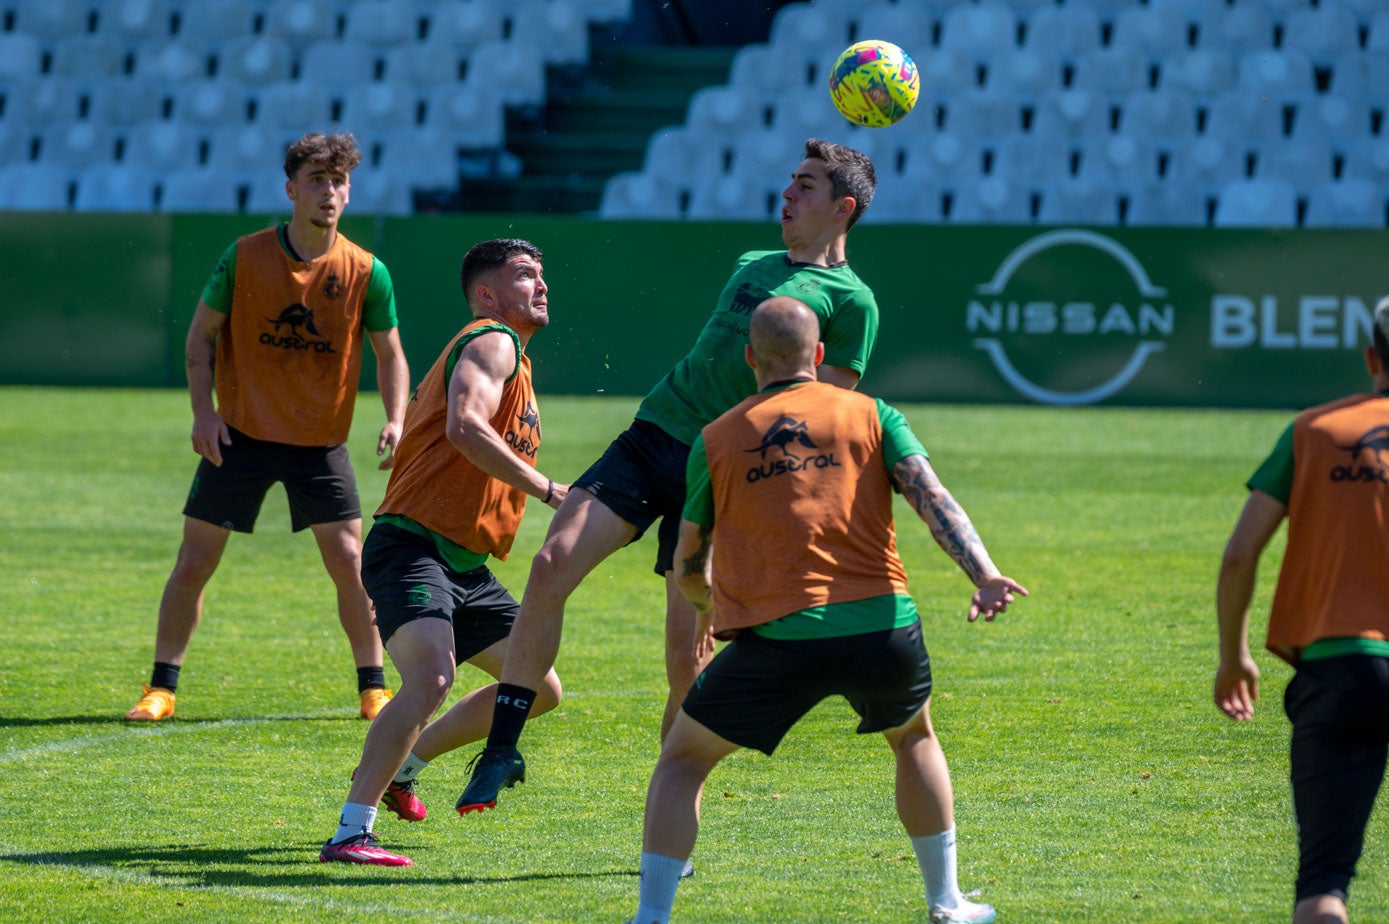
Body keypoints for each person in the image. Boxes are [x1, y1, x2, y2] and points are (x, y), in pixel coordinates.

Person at [458, 138, 882, 816]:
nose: (787, 194)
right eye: (790, 181)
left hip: (722, 472)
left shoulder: (852, 302)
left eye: (805, 186)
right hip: (653, 434)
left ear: (843, 208)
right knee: (550, 563)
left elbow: (819, 413)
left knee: (686, 657)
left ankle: (667, 815)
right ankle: (501, 748)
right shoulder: (752, 263)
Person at [628, 297, 1026, 924]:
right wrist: (984, 573)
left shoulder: (719, 437)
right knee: (914, 738)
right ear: (818, 355)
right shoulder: (871, 412)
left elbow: (688, 562)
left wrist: (708, 611)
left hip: (777, 638)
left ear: (750, 358)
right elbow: (931, 496)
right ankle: (946, 902)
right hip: (881, 626)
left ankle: (652, 916)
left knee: (683, 760)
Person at [125, 131, 409, 723]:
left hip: (319, 443)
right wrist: (203, 413)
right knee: (195, 561)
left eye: (337, 182)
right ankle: (161, 687)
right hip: (241, 434)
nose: (327, 192)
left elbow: (390, 355)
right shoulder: (245, 256)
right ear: (290, 189)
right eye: (315, 181)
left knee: (352, 563)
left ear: (349, 193)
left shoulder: (366, 271)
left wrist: (397, 417)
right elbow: (201, 337)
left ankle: (373, 686)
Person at [320, 238, 566, 866]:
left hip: (466, 564)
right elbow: (464, 425)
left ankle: (407, 765)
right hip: (410, 545)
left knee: (536, 686)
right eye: (525, 276)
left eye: (542, 275)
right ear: (487, 294)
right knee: (432, 675)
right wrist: (545, 488)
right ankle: (352, 831)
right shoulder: (492, 338)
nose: (541, 285)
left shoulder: (518, 361)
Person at [1214, 296, 1389, 924]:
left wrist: (1234, 656)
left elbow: (1241, 554)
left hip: (1345, 666)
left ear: (1371, 356)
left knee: (1323, 886)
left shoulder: (1315, 431)